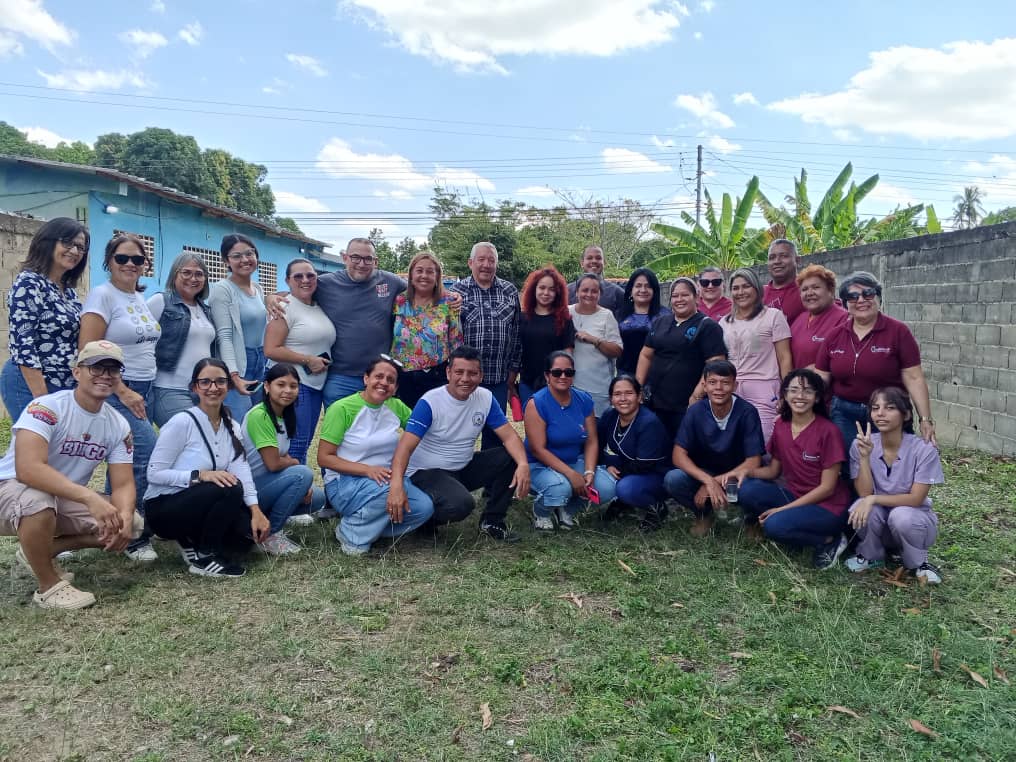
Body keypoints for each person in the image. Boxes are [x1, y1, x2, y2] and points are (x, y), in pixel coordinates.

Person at [0, 341, 141, 609]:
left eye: (112, 369)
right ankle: (48, 587)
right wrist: (89, 497)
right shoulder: (47, 407)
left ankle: (41, 551)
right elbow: (28, 469)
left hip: (61, 498)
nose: (105, 375)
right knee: (38, 501)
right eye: (96, 368)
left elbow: (123, 484)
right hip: (10, 488)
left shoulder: (117, 423)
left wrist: (123, 514)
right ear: (77, 372)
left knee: (131, 524)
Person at [386, 346, 531, 543]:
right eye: (459, 372)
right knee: (462, 504)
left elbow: (510, 437)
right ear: (448, 373)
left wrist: (523, 464)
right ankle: (424, 521)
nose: (465, 379)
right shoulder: (430, 402)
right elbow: (405, 447)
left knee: (511, 457)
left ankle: (492, 521)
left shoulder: (485, 397)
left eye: (472, 373)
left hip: (462, 467)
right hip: (426, 472)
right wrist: (396, 484)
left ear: (481, 376)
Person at [144, 358, 270, 578]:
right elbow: (154, 473)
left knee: (244, 538)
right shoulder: (182, 422)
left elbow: (241, 469)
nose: (213, 388)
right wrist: (199, 475)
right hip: (164, 508)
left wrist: (255, 510)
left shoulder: (232, 425)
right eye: (205, 382)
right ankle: (204, 556)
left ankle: (191, 539)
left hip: (199, 502)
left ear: (228, 386)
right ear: (195, 387)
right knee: (229, 487)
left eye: (220, 381)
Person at [79, 233, 161, 563]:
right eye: (122, 258)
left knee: (122, 461)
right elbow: (88, 351)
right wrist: (122, 390)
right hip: (118, 390)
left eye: (137, 259)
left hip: (145, 387)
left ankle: (116, 527)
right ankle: (135, 535)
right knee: (145, 452)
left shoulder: (138, 296)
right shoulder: (102, 295)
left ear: (145, 264)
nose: (129, 264)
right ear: (109, 261)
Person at [317, 355, 434, 555]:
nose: (384, 383)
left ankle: (367, 529)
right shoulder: (342, 408)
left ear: (395, 388)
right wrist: (367, 470)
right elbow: (324, 458)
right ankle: (350, 535)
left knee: (423, 508)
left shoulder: (396, 406)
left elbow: (422, 428)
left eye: (391, 380)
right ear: (366, 379)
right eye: (378, 377)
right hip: (344, 482)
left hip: (385, 479)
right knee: (390, 491)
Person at [734, 369, 851, 569]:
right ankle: (795, 530)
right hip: (796, 495)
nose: (800, 396)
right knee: (745, 490)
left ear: (817, 398)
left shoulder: (828, 431)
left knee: (773, 526)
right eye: (794, 390)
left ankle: (829, 540)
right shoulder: (781, 426)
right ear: (785, 395)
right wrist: (746, 472)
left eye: (807, 391)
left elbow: (827, 488)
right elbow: (773, 471)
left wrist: (782, 510)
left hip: (828, 506)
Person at [814, 271, 937, 454]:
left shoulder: (898, 331)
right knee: (849, 463)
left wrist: (925, 419)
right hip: (845, 414)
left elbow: (914, 378)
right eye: (853, 296)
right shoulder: (834, 336)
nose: (861, 300)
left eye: (868, 293)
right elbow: (821, 377)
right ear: (845, 303)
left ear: (878, 297)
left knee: (892, 461)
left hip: (889, 411)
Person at [843, 386, 944, 583]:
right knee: (860, 506)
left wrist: (873, 498)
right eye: (875, 408)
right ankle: (871, 555)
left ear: (906, 415)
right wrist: (864, 458)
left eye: (889, 408)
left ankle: (918, 563)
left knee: (901, 516)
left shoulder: (924, 449)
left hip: (914, 521)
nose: (880, 413)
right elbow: (864, 492)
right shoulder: (861, 444)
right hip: (881, 521)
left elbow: (916, 499)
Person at [663, 360, 766, 536]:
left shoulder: (747, 412)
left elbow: (754, 461)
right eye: (712, 382)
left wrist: (715, 481)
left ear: (735, 385)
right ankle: (704, 514)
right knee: (673, 479)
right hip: (706, 472)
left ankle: (751, 519)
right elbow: (678, 455)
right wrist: (708, 481)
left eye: (725, 382)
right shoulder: (695, 411)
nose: (718, 388)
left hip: (738, 476)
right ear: (704, 385)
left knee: (754, 488)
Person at [2, 217, 89, 422]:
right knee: (36, 438)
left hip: (63, 383)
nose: (75, 251)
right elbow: (23, 344)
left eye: (80, 247)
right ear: (48, 242)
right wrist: (42, 399)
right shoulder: (29, 282)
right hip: (30, 382)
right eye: (68, 243)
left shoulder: (68, 291)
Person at [241, 363, 327, 556]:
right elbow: (273, 464)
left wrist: (300, 481)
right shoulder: (260, 415)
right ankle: (270, 534)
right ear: (267, 386)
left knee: (317, 497)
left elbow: (282, 455)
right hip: (249, 489)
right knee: (302, 473)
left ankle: (265, 521)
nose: (288, 390)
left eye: (293, 386)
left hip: (267, 484)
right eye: (281, 384)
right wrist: (295, 465)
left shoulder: (285, 415)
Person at [523, 351, 616, 530]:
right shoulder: (537, 403)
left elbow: (591, 440)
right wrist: (572, 475)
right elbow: (537, 449)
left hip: (573, 460)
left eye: (569, 372)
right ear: (547, 376)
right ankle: (541, 512)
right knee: (560, 488)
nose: (563, 376)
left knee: (607, 488)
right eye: (557, 372)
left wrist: (589, 471)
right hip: (539, 464)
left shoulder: (584, 399)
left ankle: (567, 509)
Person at [263, 259, 336, 463]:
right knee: (295, 444)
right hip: (294, 385)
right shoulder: (284, 307)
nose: (305, 280)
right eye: (298, 276)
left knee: (304, 443)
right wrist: (307, 360)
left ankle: (300, 481)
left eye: (310, 275)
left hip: (315, 386)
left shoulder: (318, 306)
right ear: (288, 280)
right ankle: (295, 481)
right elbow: (270, 349)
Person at [636, 277, 727, 441]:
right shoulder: (660, 322)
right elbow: (646, 354)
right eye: (675, 296)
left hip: (686, 405)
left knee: (683, 446)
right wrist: (638, 387)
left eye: (685, 295)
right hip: (655, 401)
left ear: (696, 297)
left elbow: (715, 366)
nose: (679, 299)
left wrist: (696, 397)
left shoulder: (708, 326)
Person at [449, 242, 521, 448]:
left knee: (495, 435)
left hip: (498, 378)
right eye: (481, 259)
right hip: (464, 379)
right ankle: (460, 467)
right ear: (470, 262)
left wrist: (513, 371)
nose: (486, 265)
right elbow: (448, 335)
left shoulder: (509, 291)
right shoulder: (456, 292)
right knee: (460, 432)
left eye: (491, 260)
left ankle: (490, 469)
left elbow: (517, 333)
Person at [721, 268, 793, 442]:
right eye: (736, 288)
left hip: (765, 388)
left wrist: (787, 392)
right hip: (731, 389)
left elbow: (785, 358)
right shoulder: (724, 322)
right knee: (733, 441)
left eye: (746, 286)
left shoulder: (773, 316)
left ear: (757, 288)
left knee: (763, 440)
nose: (741, 292)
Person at [148, 252, 217, 426]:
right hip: (169, 389)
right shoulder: (160, 301)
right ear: (174, 274)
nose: (193, 278)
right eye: (186, 272)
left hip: (202, 391)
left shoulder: (205, 310)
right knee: (194, 433)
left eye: (199, 274)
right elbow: (139, 339)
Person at [390, 251, 462, 409]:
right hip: (402, 377)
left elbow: (456, 342)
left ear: (437, 277)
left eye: (430, 272)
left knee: (434, 420)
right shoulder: (399, 300)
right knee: (406, 421)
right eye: (419, 270)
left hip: (436, 377)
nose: (424, 275)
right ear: (411, 275)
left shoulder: (448, 302)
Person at [597, 375, 670, 527]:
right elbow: (598, 444)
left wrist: (616, 471)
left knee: (625, 488)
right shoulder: (610, 416)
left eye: (629, 393)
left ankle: (656, 508)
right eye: (617, 394)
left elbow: (644, 465)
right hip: (629, 469)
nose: (623, 398)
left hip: (656, 474)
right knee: (597, 477)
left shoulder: (649, 422)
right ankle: (624, 502)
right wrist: (608, 464)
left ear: (639, 397)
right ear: (611, 399)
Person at [209, 234, 267, 417]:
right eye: (236, 256)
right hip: (239, 363)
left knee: (257, 420)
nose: (245, 260)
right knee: (239, 421)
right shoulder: (223, 289)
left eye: (249, 253)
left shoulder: (258, 289)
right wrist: (233, 376)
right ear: (226, 261)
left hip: (260, 361)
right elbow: (224, 336)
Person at [511, 266, 575, 410]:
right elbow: (516, 353)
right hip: (527, 383)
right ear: (534, 289)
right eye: (542, 288)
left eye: (551, 289)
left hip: (555, 384)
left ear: (557, 292)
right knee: (531, 423)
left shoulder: (564, 320)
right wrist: (511, 382)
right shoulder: (522, 318)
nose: (546, 293)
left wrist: (564, 379)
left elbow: (568, 355)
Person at [569, 274, 623, 416]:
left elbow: (617, 350)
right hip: (568, 386)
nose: (589, 294)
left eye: (594, 291)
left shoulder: (606, 316)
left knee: (597, 426)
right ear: (577, 292)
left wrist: (594, 340)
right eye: (585, 290)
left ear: (600, 294)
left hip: (598, 388)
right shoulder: (566, 313)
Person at [789, 264, 848, 369]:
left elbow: (843, 360)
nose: (809, 293)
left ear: (830, 290)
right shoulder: (800, 319)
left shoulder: (844, 319)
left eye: (816, 287)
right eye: (804, 289)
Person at [615, 268, 662, 375]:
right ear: (631, 290)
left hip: (657, 375)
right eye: (638, 286)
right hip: (625, 374)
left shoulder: (665, 316)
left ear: (654, 290)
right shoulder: (619, 315)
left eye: (648, 286)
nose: (643, 290)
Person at [565, 245, 624, 312]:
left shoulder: (616, 293)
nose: (594, 261)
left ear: (604, 263)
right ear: (582, 263)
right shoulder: (567, 291)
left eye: (598, 258)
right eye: (589, 258)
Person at [762, 238, 805, 324]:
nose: (777, 261)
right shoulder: (758, 293)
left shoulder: (806, 290)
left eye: (784, 256)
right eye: (772, 257)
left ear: (797, 260)